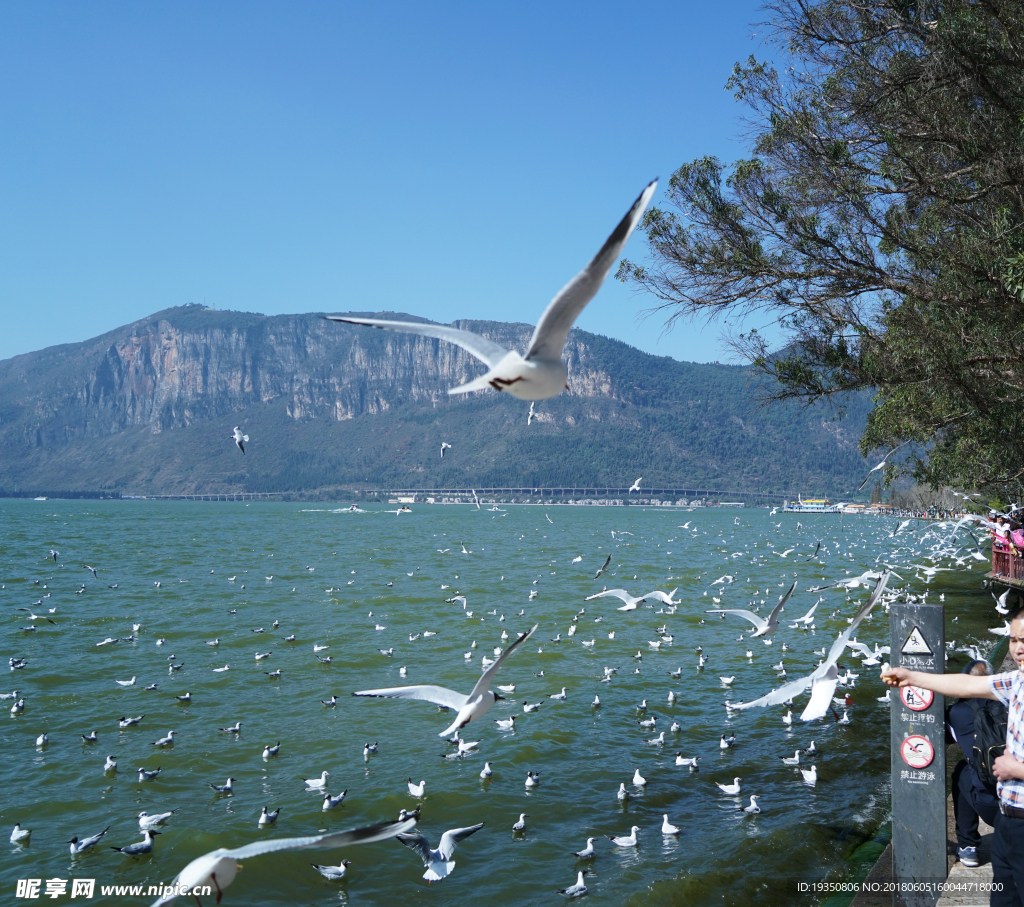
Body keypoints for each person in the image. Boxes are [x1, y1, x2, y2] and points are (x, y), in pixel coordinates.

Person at [882, 608, 1024, 907]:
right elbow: (968, 685)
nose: (1018, 648)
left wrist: (1017, 769)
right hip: (1008, 822)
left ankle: (968, 845)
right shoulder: (1016, 682)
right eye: (1013, 639)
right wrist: (911, 677)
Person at [947, 659, 1000, 867]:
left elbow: (950, 738)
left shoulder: (957, 712)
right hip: (1018, 802)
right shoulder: (1014, 702)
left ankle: (968, 847)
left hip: (991, 807)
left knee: (964, 769)